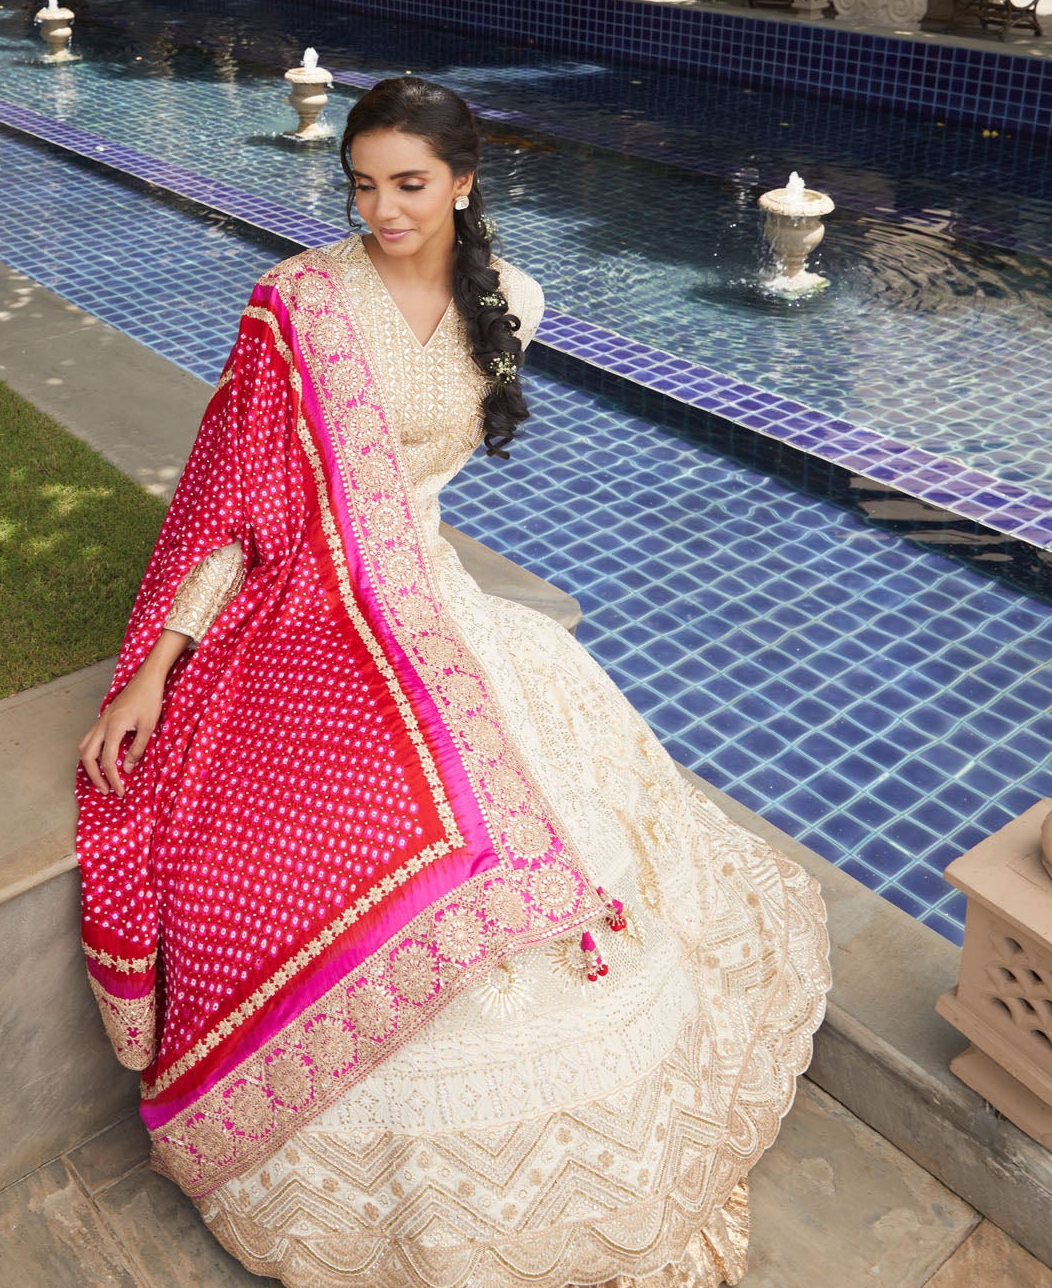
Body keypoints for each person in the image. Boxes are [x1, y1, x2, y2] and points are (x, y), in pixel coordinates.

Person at [76, 76, 829, 1287]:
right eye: (361, 184)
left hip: (427, 606)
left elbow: (414, 492)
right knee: (320, 845)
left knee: (532, 815)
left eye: (408, 185)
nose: (380, 210)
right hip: (301, 613)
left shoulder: (514, 301)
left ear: (464, 183)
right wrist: (156, 668)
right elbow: (228, 512)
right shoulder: (295, 303)